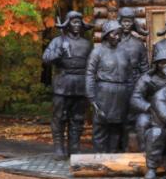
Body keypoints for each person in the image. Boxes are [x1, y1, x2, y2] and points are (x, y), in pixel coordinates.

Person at [41, 11, 92, 159]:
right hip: (63, 85)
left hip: (80, 84)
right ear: (68, 24)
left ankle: (74, 147)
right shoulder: (58, 41)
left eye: (79, 22)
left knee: (77, 118)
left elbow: (92, 65)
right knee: (59, 117)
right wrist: (59, 52)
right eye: (74, 22)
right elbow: (46, 58)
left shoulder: (87, 44)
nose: (77, 25)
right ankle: (59, 148)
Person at [86, 21, 135, 153]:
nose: (117, 37)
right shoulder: (97, 52)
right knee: (101, 126)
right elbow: (90, 74)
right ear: (106, 34)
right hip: (104, 93)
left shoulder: (124, 52)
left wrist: (131, 95)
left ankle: (113, 155)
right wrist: (91, 97)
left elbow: (130, 75)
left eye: (119, 34)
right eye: (114, 34)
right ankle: (99, 156)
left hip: (121, 94)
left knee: (116, 127)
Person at [130, 44, 166, 151]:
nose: (165, 66)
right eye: (162, 63)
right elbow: (135, 98)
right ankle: (144, 152)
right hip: (152, 113)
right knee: (142, 121)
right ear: (157, 64)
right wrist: (149, 107)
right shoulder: (147, 79)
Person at [116, 7, 149, 82]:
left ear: (133, 23)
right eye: (124, 21)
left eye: (129, 21)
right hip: (116, 82)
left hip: (134, 82)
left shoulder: (139, 44)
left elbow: (145, 69)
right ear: (119, 22)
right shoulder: (113, 42)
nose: (127, 24)